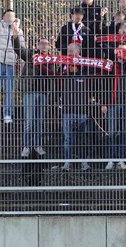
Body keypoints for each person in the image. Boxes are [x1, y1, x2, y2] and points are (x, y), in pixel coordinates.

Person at [18, 38, 56, 159]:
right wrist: (15, 36)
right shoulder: (30, 54)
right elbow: (19, 49)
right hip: (30, 92)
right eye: (42, 43)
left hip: (44, 93)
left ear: (49, 47)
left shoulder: (52, 59)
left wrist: (52, 96)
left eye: (46, 44)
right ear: (38, 45)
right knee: (29, 122)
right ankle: (27, 147)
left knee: (39, 122)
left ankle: (38, 146)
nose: (44, 46)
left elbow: (54, 76)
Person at [60, 43, 95, 171]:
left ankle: (84, 163)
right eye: (68, 51)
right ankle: (67, 163)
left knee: (83, 139)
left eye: (70, 51)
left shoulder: (86, 69)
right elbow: (54, 76)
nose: (68, 53)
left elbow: (97, 72)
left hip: (82, 111)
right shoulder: (63, 67)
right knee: (68, 139)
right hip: (67, 110)